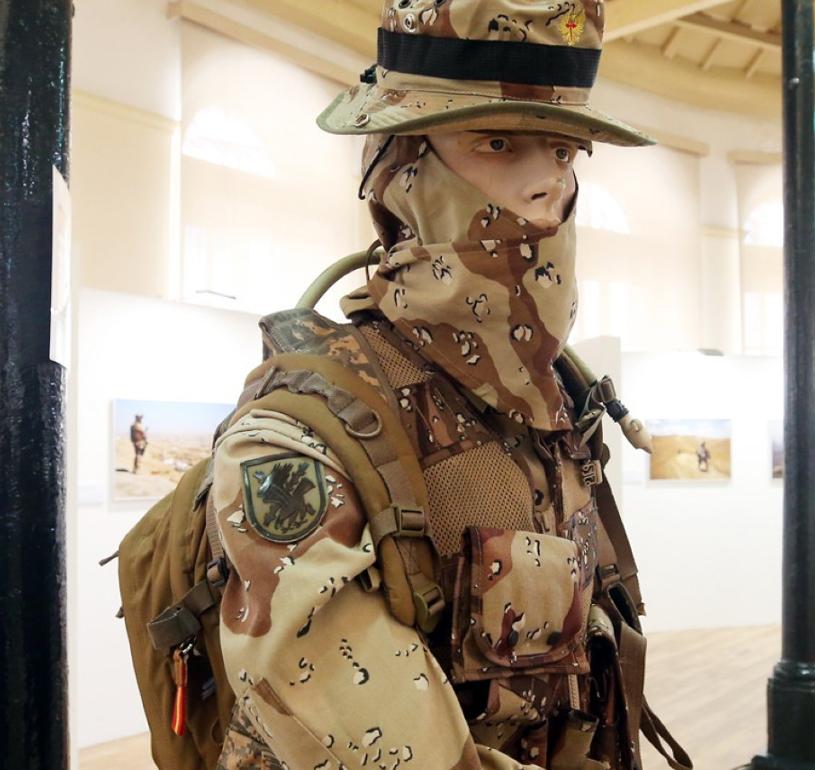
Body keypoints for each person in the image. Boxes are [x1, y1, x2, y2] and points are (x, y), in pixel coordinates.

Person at [208, 2, 679, 769]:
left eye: (564, 151)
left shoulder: (556, 407)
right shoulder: (307, 424)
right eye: (498, 142)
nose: (545, 186)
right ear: (402, 168)